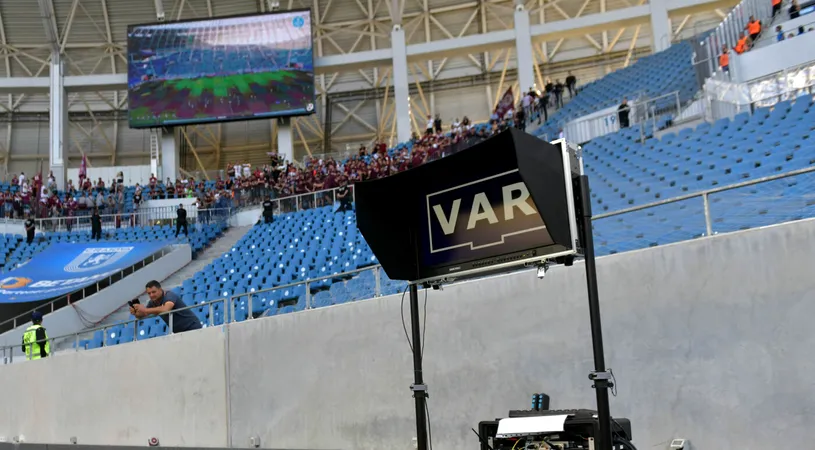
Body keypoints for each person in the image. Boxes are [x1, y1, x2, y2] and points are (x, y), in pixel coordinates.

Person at [131, 280, 202, 334]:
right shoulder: (152, 302)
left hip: (192, 328)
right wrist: (136, 312)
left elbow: (166, 309)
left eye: (154, 292)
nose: (151, 295)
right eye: (149, 293)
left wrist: (145, 310)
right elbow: (143, 315)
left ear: (160, 289)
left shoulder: (169, 295)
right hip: (178, 332)